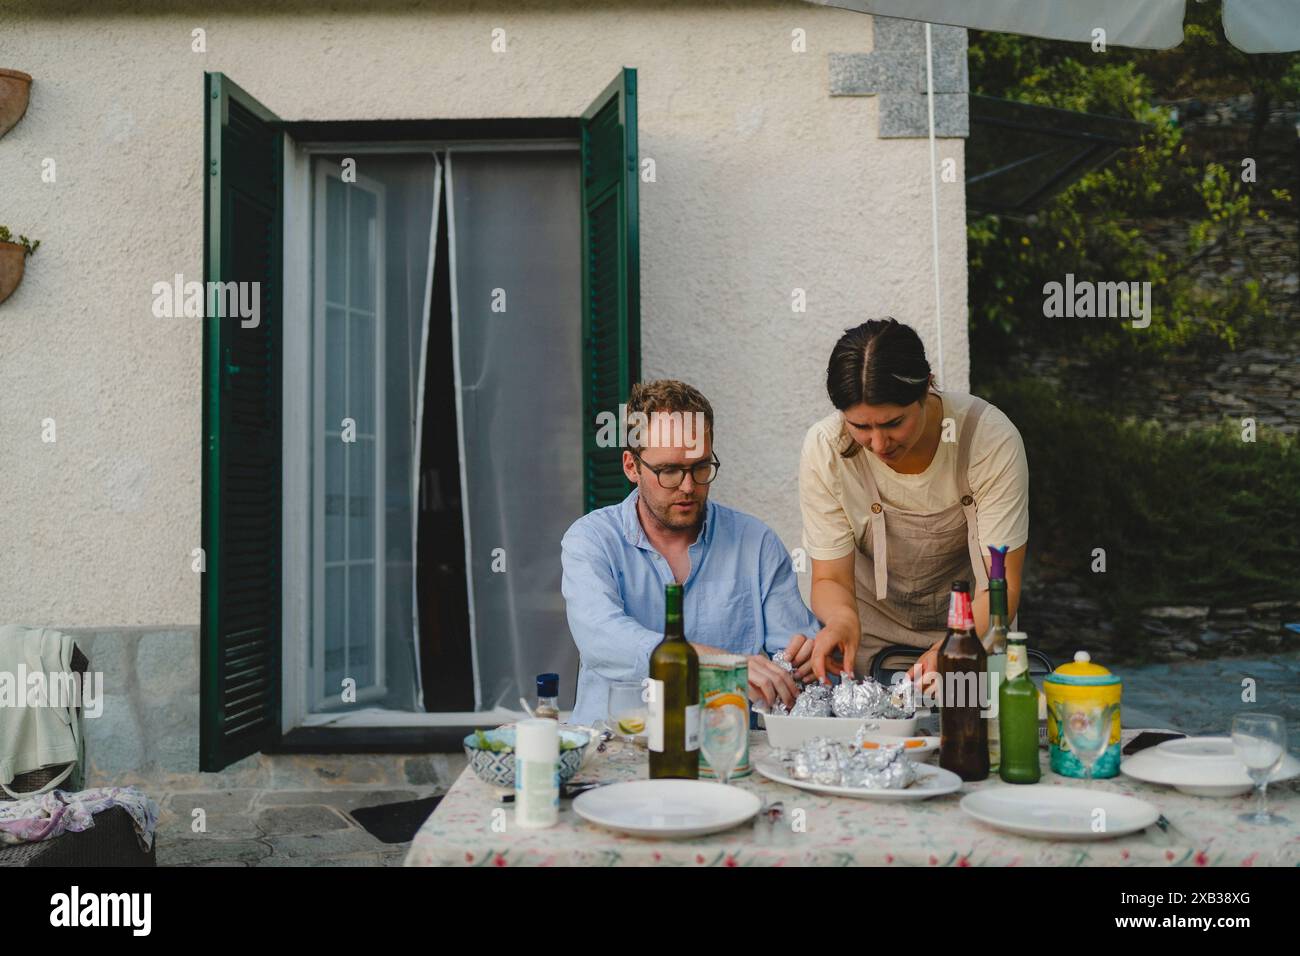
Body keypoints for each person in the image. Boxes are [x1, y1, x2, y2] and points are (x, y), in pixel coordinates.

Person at [562, 380, 819, 726]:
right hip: (616, 748)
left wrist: (807, 659)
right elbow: (602, 639)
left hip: (725, 753)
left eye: (700, 467)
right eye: (669, 470)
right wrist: (720, 663)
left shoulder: (755, 543)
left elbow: (795, 655)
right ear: (631, 466)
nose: (688, 486)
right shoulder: (591, 540)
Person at [786, 318, 1028, 687]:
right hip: (868, 647)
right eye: (861, 427)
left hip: (973, 635)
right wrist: (841, 621)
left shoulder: (987, 438)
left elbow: (1002, 587)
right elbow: (829, 577)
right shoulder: (826, 449)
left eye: (893, 423)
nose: (879, 445)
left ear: (927, 387)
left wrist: (954, 647)